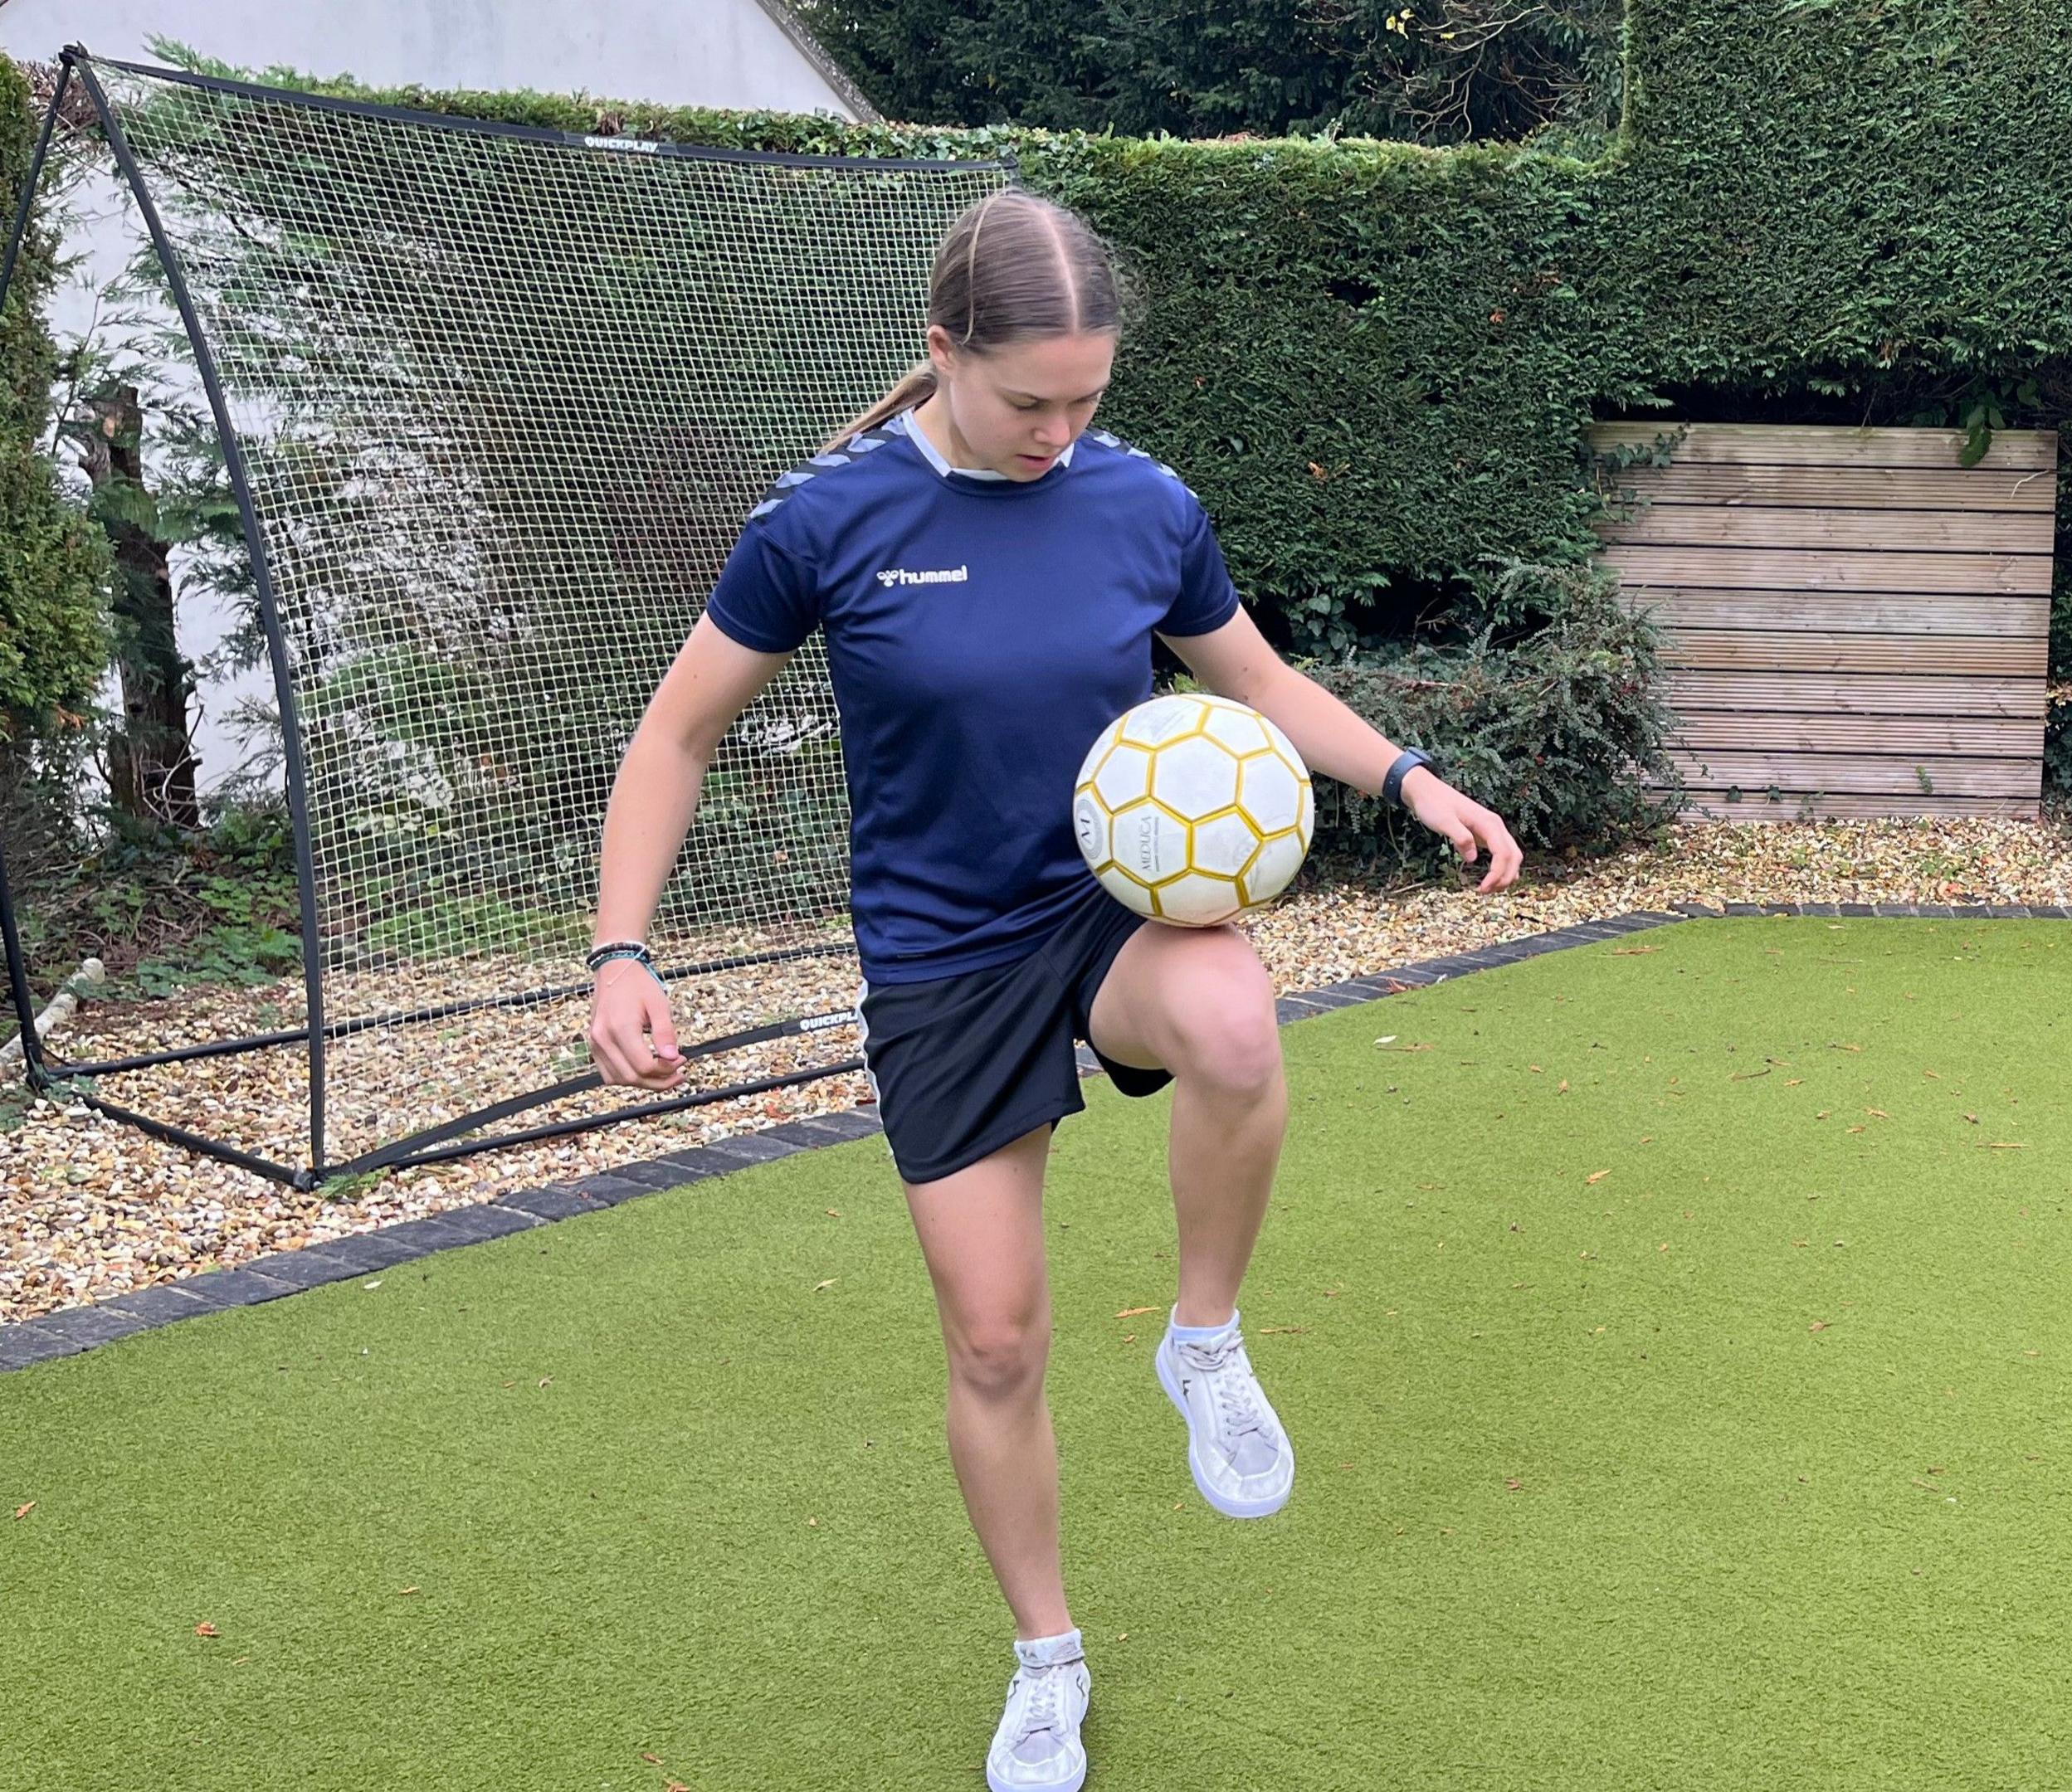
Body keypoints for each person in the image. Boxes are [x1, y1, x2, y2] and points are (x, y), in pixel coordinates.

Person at [583, 188, 1524, 1792]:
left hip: (1106, 920)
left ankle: (1204, 1340)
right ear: (944, 350)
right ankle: (1047, 1659)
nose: (1060, 429)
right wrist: (621, 947)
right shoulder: (824, 521)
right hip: (942, 962)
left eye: (1088, 397)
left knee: (1235, 1016)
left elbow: (1258, 680)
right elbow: (675, 736)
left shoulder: (1141, 505)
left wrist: (1408, 776)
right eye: (1031, 399)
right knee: (1000, 1346)